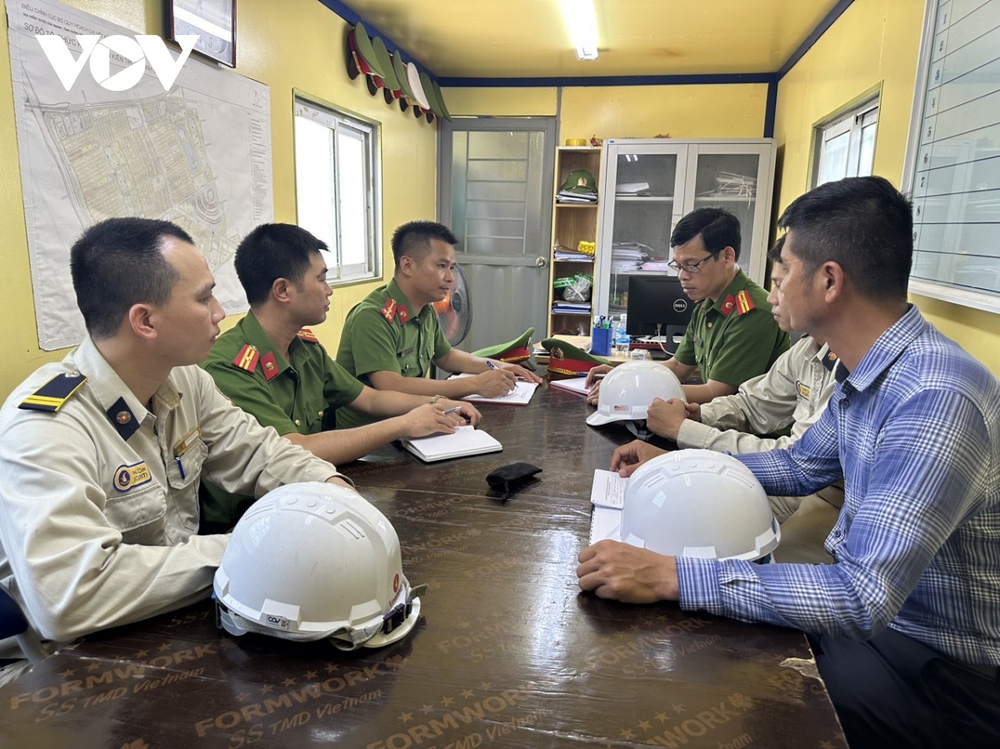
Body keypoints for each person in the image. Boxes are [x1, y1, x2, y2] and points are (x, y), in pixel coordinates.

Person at [577, 177, 1000, 749]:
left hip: (933, 668)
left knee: (729, 703)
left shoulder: (935, 395)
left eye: (783, 274)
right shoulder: (864, 369)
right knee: (689, 656)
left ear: (828, 281)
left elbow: (862, 597)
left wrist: (672, 574)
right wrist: (672, 461)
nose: (773, 287)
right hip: (878, 633)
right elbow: (801, 466)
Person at [0, 218, 350, 677]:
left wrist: (333, 489)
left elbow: (258, 451)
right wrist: (256, 551)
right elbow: (72, 598)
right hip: (71, 669)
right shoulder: (46, 425)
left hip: (171, 624)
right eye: (204, 297)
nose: (221, 312)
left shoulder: (184, 377)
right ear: (145, 320)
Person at [202, 223, 481, 529]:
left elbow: (371, 398)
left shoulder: (305, 349)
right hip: (248, 524)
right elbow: (295, 449)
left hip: (305, 500)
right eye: (321, 278)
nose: (329, 289)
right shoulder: (231, 366)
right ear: (283, 290)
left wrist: (439, 402)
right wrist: (404, 424)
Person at [640, 237, 843, 564]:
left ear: (829, 283)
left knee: (749, 557)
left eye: (779, 284)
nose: (772, 297)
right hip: (792, 481)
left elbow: (798, 463)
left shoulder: (855, 365)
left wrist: (686, 435)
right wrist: (699, 416)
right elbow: (751, 404)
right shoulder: (806, 350)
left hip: (820, 494)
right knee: (683, 514)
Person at [335, 221, 543, 429]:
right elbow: (391, 386)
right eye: (441, 266)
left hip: (411, 424)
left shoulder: (425, 310)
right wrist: (476, 384)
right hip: (370, 441)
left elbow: (446, 356)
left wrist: (498, 366)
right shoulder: (373, 317)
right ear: (407, 265)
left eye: (451, 268)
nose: (451, 278)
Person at [586, 207, 789, 404]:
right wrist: (624, 376)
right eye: (678, 266)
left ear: (727, 257)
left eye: (692, 265)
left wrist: (633, 390)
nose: (682, 276)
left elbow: (717, 392)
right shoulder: (707, 304)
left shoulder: (753, 312)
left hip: (750, 434)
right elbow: (677, 366)